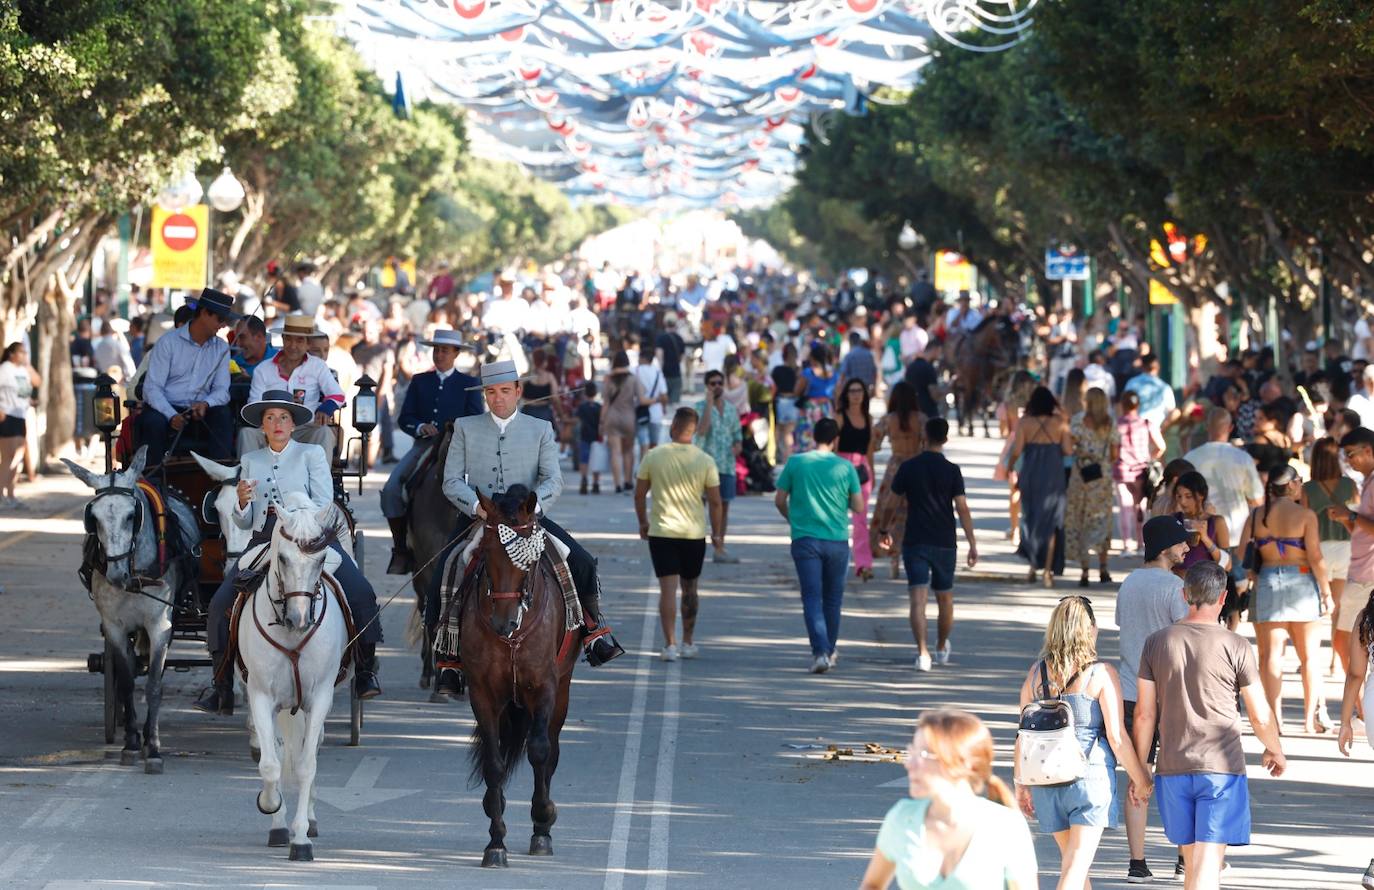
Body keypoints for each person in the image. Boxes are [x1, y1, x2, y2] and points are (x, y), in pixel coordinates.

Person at [433, 360, 623, 692]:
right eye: (491, 392)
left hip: (526, 519)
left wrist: (532, 508)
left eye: (505, 391)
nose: (498, 399)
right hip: (480, 518)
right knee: (444, 570)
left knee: (580, 561)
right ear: (484, 395)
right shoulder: (464, 427)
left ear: (518, 391)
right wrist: (478, 507)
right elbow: (451, 481)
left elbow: (554, 479)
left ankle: (594, 631)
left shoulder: (540, 429)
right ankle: (447, 656)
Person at [194, 390, 383, 714]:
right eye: (270, 418)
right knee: (221, 602)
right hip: (267, 538)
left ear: (293, 424)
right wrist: (241, 501)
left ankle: (365, 671)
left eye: (283, 417)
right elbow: (246, 521)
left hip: (310, 534)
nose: (277, 423)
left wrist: (297, 515)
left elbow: (325, 503)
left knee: (361, 592)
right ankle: (221, 682)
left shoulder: (311, 454)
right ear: (262, 427)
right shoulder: (251, 460)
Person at [1134, 561, 1286, 890]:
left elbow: (1145, 715)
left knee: (1195, 866)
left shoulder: (1157, 642)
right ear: (1223, 598)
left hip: (1172, 767)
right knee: (1206, 867)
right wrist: (1275, 748)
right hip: (1221, 768)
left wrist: (1140, 770)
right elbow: (1259, 714)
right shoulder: (1236, 645)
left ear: (1184, 593)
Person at [1014, 595, 1154, 890]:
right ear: (1090, 630)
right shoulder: (1101, 674)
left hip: (1046, 780)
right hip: (1088, 778)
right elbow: (1116, 737)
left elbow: (1023, 735)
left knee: (1074, 865)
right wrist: (1140, 778)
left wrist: (1021, 784)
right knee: (1075, 869)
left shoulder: (1035, 675)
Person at [859, 709, 1038, 890]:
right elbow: (871, 885)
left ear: (962, 763)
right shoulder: (902, 818)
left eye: (923, 755)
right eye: (911, 752)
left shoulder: (1005, 825)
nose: (909, 764)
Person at [1115, 515, 1192, 883]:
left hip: (1131, 691)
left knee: (1137, 774)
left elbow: (1124, 627)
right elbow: (1186, 636)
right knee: (1178, 777)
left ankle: (1137, 862)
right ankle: (1182, 859)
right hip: (1169, 694)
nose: (1187, 548)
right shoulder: (1175, 588)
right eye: (1180, 543)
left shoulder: (1129, 583)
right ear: (1164, 548)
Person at [1237, 464, 1333, 732]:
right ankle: (1307, 720)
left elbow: (1242, 551)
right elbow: (1315, 557)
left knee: (1270, 656)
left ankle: (1275, 721)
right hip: (1302, 580)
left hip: (1267, 581)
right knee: (1310, 656)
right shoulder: (1305, 515)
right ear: (1291, 485)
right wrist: (1326, 593)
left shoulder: (1257, 514)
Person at [878, 418, 977, 671]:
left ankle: (922, 653)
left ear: (924, 436)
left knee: (917, 599)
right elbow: (962, 508)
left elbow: (891, 502)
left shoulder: (909, 467)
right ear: (945, 439)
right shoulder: (952, 470)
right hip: (945, 541)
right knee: (945, 599)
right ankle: (942, 646)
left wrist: (884, 529)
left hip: (915, 540)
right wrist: (972, 543)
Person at [381, 329, 483, 574]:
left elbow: (477, 419)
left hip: (459, 449)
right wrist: (419, 426)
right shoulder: (419, 381)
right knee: (392, 489)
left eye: (445, 350)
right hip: (424, 446)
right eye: (436, 349)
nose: (439, 354)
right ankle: (401, 548)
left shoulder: (469, 384)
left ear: (456, 353)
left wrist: (457, 430)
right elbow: (405, 417)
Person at [634, 407, 723, 662]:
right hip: (693, 533)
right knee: (690, 588)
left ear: (673, 427)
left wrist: (643, 522)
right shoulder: (705, 460)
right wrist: (717, 534)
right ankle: (688, 641)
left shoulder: (653, 456)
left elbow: (640, 494)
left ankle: (670, 644)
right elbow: (716, 502)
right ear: (693, 431)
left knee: (667, 590)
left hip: (662, 531)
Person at [775, 417, 863, 674]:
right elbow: (858, 506)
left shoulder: (796, 462)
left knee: (812, 597)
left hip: (805, 539)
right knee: (833, 599)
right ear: (836, 440)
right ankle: (830, 650)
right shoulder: (846, 467)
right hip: (836, 540)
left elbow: (779, 499)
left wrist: (792, 518)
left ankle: (820, 652)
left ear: (814, 436)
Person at [134, 288, 238, 466]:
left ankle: (221, 477)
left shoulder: (221, 348)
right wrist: (171, 415)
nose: (222, 325)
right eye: (220, 319)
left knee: (223, 415)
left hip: (201, 411)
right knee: (153, 422)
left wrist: (206, 404)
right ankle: (153, 480)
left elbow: (222, 390)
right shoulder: (167, 343)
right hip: (166, 407)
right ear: (205, 313)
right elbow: (151, 389)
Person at [240, 314, 346, 455]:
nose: (293, 345)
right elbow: (254, 402)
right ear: (283, 339)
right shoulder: (263, 369)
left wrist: (325, 409)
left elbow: (338, 395)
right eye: (288, 339)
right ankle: (250, 477)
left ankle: (321, 478)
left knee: (324, 432)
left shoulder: (317, 366)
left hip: (305, 428)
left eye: (300, 340)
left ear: (308, 343)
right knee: (246, 433)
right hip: (270, 430)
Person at [1302, 437, 1358, 676]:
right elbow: (1357, 513)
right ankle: (1337, 661)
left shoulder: (1308, 488)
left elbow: (1304, 519)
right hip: (1346, 548)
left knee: (1321, 606)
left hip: (1319, 549)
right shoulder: (1349, 484)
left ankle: (1311, 658)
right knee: (1340, 609)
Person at [1008, 386, 1071, 586]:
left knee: (1031, 518)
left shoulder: (1024, 423)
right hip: (1053, 475)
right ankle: (1047, 572)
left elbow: (1017, 450)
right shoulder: (1060, 423)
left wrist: (1010, 467)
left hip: (1031, 472)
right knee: (1052, 523)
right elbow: (1068, 450)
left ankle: (1033, 567)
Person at [1183, 406, 1264, 553]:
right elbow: (1257, 499)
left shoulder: (1191, 458)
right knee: (1239, 576)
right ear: (1231, 428)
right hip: (1237, 533)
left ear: (1207, 427)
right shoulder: (1243, 458)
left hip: (1201, 535)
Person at [869, 381, 926, 580]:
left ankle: (893, 557)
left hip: (895, 467)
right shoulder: (921, 419)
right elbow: (929, 444)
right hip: (917, 467)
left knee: (890, 511)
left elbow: (873, 441)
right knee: (915, 514)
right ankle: (915, 555)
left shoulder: (889, 419)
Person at [1066, 387, 1119, 587]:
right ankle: (1103, 567)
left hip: (1081, 475)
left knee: (1081, 519)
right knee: (1102, 520)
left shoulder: (1078, 421)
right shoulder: (1110, 422)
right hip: (1102, 478)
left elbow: (1070, 447)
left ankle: (1084, 570)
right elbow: (1114, 454)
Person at [693, 368, 743, 563]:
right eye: (713, 383)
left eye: (720, 383)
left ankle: (719, 544)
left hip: (726, 464)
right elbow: (702, 431)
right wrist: (709, 403)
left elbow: (737, 435)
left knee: (724, 506)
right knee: (701, 506)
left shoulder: (731, 409)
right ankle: (697, 544)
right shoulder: (699, 406)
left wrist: (738, 446)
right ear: (707, 386)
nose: (717, 387)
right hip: (704, 465)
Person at [1116, 390, 1166, 555]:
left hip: (1122, 470)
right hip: (1141, 471)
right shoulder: (1146, 424)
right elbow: (1161, 446)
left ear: (1122, 405)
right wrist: (1151, 457)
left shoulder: (1116, 424)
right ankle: (1140, 544)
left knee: (1124, 507)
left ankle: (1126, 545)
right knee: (1140, 508)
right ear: (1138, 405)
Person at [836, 378, 875, 581]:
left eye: (859, 390)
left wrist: (873, 473)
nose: (856, 394)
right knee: (838, 517)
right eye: (852, 391)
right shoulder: (840, 416)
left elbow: (870, 450)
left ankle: (864, 564)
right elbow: (833, 447)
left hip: (862, 469)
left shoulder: (868, 418)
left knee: (861, 519)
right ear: (846, 394)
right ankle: (837, 561)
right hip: (841, 467)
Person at [0, 342, 40, 509]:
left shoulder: (23, 370)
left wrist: (28, 366)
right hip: (7, 415)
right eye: (21, 352)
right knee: (8, 457)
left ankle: (11, 494)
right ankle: (1, 494)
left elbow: (37, 382)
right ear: (12, 354)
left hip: (21, 415)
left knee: (17, 457)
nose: (24, 355)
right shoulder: (5, 369)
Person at [600, 350, 646, 494]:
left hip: (612, 417)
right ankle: (628, 481)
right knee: (628, 451)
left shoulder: (608, 379)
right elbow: (641, 397)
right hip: (628, 417)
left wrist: (601, 422)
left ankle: (617, 484)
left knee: (615, 452)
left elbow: (605, 402)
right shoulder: (633, 378)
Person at [1124, 354, 1178, 429]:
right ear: (1158, 367)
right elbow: (1173, 412)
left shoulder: (1131, 383)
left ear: (1142, 366)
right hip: (1154, 431)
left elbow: (1124, 408)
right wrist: (1161, 430)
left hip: (1136, 430)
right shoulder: (1165, 387)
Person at [771, 343, 803, 466]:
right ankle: (787, 459)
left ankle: (780, 458)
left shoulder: (777, 370)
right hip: (793, 402)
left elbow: (773, 388)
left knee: (780, 431)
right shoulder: (798, 371)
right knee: (789, 433)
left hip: (781, 401)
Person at [904, 341, 942, 419]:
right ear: (934, 350)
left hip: (912, 411)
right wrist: (948, 386)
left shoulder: (910, 367)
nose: (939, 356)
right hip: (929, 413)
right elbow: (934, 393)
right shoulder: (929, 368)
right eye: (939, 352)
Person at [654, 314, 685, 405]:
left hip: (665, 375)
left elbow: (660, 357)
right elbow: (681, 358)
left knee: (664, 404)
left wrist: (660, 372)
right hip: (676, 374)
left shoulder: (661, 338)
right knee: (675, 405)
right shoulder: (679, 339)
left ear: (665, 323)